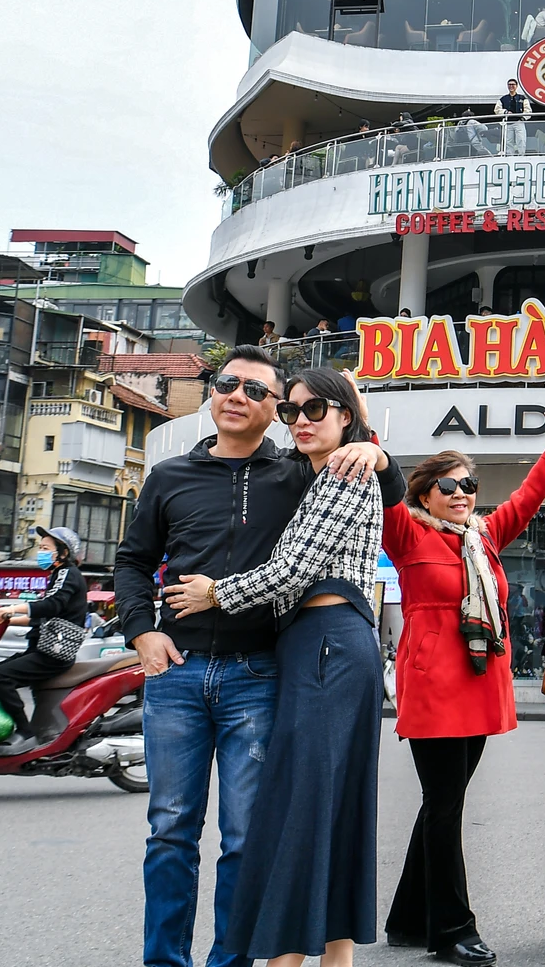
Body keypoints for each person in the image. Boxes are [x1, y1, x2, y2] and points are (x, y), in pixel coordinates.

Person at [114, 346, 406, 967]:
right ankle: (165, 962)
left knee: (251, 835)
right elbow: (132, 562)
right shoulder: (169, 475)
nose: (236, 395)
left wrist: (376, 451)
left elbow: (381, 488)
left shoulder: (299, 472)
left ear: (270, 409)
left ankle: (235, 962)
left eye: (256, 389)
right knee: (169, 832)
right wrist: (141, 630)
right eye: (226, 383)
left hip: (261, 671)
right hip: (178, 670)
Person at [383, 403, 545, 965]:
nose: (461, 493)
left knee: (442, 803)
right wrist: (361, 423)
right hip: (433, 687)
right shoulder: (405, 534)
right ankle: (450, 929)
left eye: (468, 484)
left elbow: (527, 498)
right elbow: (383, 481)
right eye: (447, 485)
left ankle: (405, 918)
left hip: (476, 684)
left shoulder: (484, 536)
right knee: (444, 805)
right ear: (424, 494)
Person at [0, 527, 89, 754]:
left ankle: (25, 732)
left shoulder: (67, 573)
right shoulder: (57, 575)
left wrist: (11, 607)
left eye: (46, 548)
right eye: (40, 548)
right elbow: (41, 618)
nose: (41, 552)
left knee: (0, 677)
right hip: (43, 648)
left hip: (53, 653)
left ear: (63, 553)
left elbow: (52, 605)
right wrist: (5, 619)